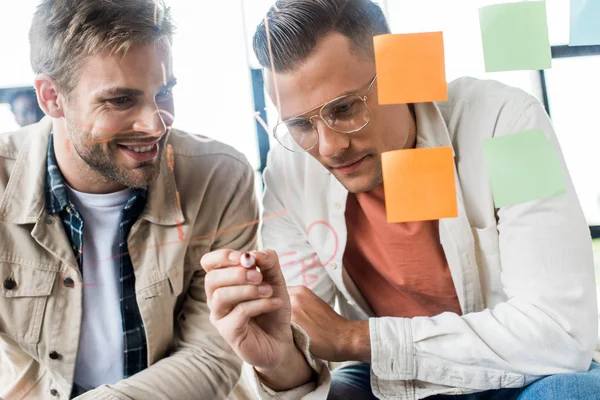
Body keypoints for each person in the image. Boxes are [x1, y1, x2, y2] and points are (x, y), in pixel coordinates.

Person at [201, 0, 600, 399]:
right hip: (393, 382)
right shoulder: (290, 171)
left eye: (344, 108)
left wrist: (355, 338)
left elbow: (560, 333)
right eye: (300, 124)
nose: (329, 147)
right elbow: (308, 348)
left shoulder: (507, 123)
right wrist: (276, 359)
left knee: (573, 392)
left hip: (519, 374)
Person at [0, 0, 258, 399]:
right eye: (120, 100)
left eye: (165, 91)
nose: (156, 124)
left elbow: (214, 353)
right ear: (52, 97)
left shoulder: (221, 177)